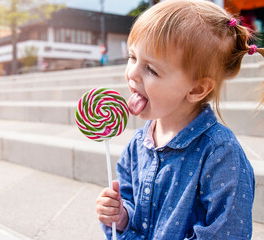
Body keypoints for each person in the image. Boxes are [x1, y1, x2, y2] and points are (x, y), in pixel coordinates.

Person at [95, 0, 264, 239]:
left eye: (151, 70)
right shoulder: (137, 145)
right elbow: (132, 204)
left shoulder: (220, 154)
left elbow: (226, 232)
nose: (132, 73)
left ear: (196, 89)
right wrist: (122, 216)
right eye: (132, 57)